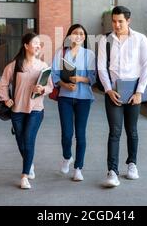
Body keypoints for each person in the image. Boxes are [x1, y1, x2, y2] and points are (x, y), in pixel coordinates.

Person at [97, 6, 147, 187]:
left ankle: (132, 164)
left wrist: (139, 91)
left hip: (133, 90)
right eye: (114, 21)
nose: (116, 24)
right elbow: (101, 67)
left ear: (128, 21)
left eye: (120, 21)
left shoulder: (140, 39)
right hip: (113, 91)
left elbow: (146, 65)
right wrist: (108, 89)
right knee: (115, 131)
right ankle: (112, 171)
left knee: (132, 130)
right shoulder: (105, 39)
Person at [0, 33, 53, 189]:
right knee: (21, 142)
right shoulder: (14, 65)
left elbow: (50, 86)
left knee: (28, 140)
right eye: (34, 43)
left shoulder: (43, 66)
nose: (37, 46)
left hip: (36, 109)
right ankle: (30, 163)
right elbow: (2, 84)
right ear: (26, 46)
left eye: (39, 43)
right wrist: (6, 99)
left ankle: (24, 176)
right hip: (17, 110)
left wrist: (42, 89)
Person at [52, 24, 96, 181]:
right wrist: (65, 85)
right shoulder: (61, 53)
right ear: (69, 36)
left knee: (80, 134)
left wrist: (80, 79)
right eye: (75, 33)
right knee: (66, 133)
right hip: (65, 98)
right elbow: (54, 75)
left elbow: (93, 77)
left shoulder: (90, 55)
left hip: (84, 99)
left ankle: (78, 168)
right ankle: (67, 157)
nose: (78, 36)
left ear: (84, 37)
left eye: (81, 33)